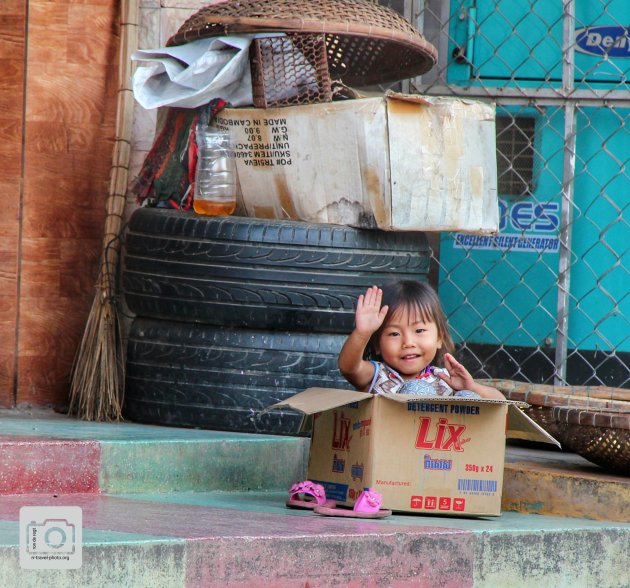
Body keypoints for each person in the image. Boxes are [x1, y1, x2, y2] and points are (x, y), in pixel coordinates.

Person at [338, 280, 505, 399]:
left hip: (437, 446)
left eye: (419, 330)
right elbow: (349, 368)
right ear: (377, 345)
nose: (408, 342)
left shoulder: (444, 379)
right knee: (416, 391)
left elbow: (500, 401)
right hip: (390, 446)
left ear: (439, 338)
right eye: (394, 334)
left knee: (468, 397)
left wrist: (470, 387)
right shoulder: (376, 374)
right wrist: (362, 333)